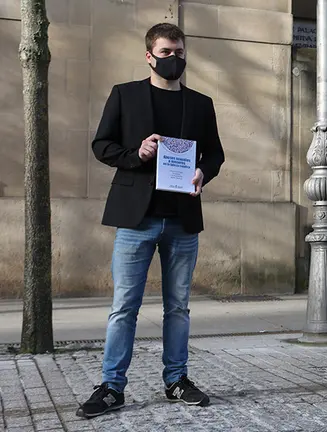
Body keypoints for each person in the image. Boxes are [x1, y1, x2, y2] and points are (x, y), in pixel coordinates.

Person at [77, 23, 225, 418]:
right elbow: (101, 145)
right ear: (149, 56)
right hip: (136, 219)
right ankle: (111, 386)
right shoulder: (125, 95)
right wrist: (136, 154)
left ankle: (176, 380)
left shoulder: (200, 103)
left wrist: (202, 174)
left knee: (178, 307)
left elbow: (214, 155)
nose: (173, 58)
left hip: (182, 220)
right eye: (165, 52)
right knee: (124, 306)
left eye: (179, 52)